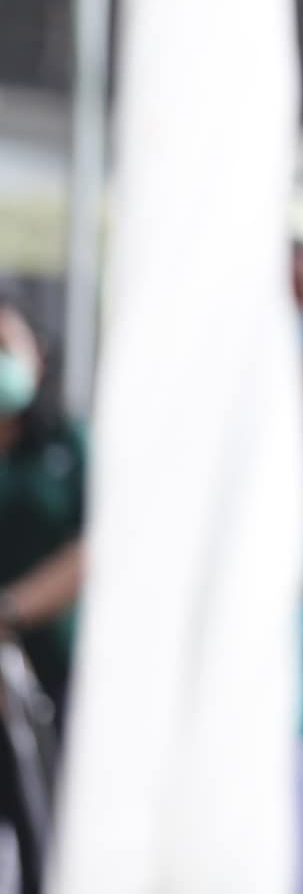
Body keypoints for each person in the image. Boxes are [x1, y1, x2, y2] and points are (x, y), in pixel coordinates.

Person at [0, 296, 86, 894]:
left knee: (48, 838)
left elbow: (98, 544)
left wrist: (10, 611)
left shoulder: (66, 444)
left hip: (52, 674)